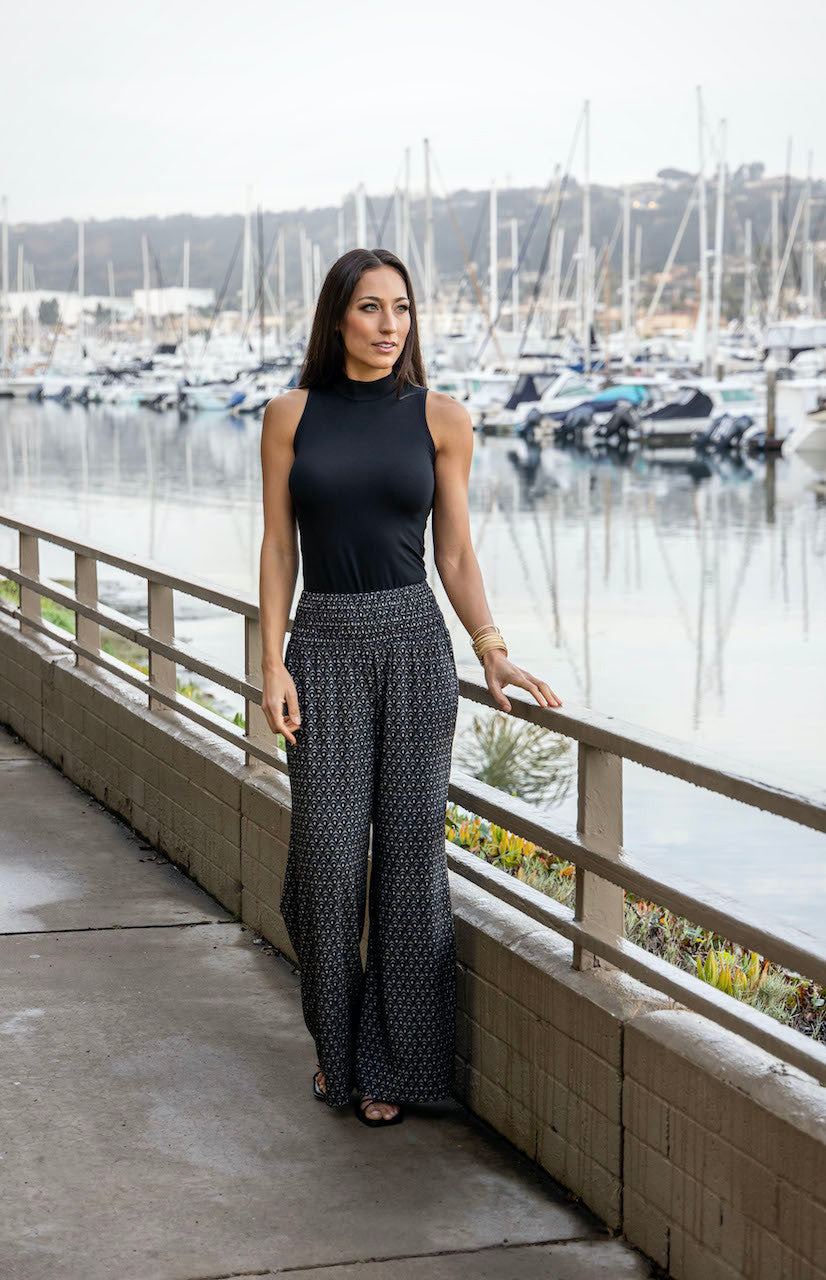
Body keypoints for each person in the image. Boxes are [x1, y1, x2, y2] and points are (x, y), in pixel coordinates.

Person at [258, 247, 561, 1127]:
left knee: (409, 868)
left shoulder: (441, 418)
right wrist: (269, 659)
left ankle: (395, 1064)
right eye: (369, 308)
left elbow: (455, 553)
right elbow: (280, 548)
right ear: (337, 318)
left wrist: (491, 647)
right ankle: (337, 1050)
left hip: (416, 646)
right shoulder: (289, 415)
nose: (389, 326)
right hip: (321, 644)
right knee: (323, 863)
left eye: (401, 309)